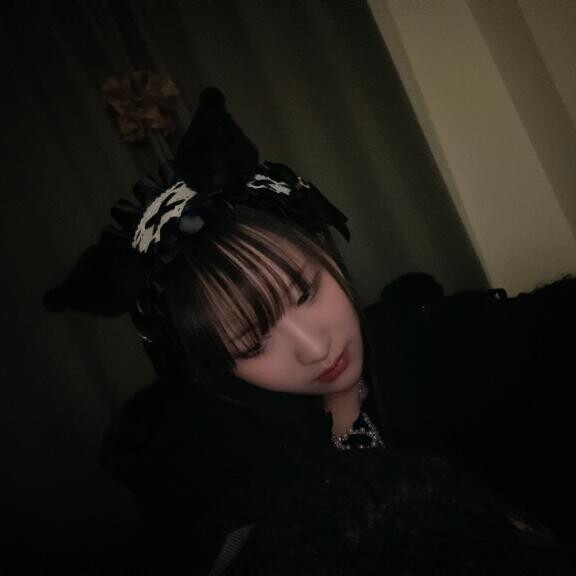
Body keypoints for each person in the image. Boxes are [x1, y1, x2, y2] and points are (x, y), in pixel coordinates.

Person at [46, 88, 575, 574]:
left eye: (305, 292)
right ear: (215, 367)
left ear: (326, 255)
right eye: (253, 343)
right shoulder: (218, 465)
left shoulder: (441, 342)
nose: (317, 347)